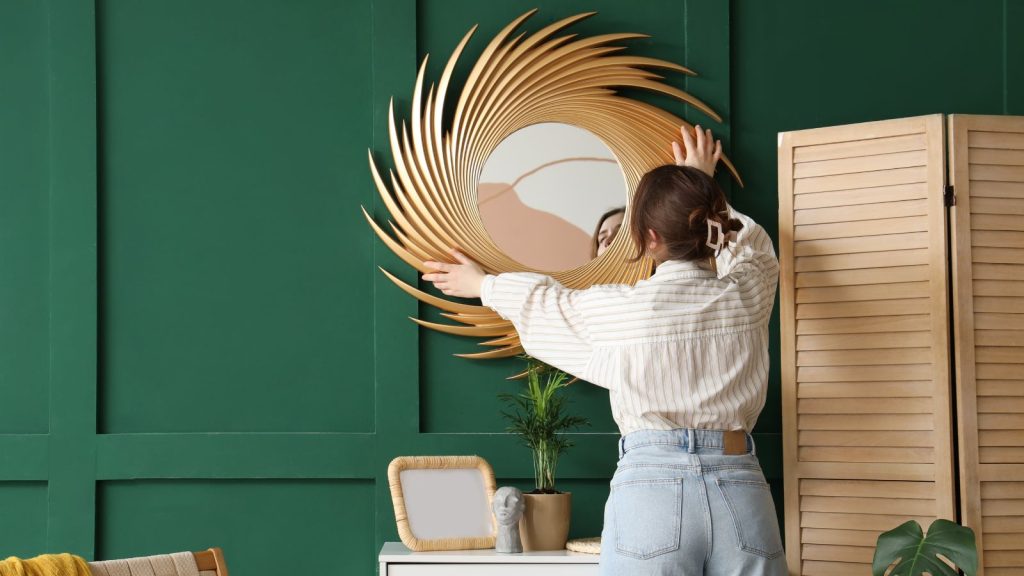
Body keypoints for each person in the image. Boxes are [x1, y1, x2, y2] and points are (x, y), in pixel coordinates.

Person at [423, 125, 785, 575]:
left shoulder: (622, 310)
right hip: (739, 483)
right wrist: (699, 183)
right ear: (711, 224)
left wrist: (481, 284)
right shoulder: (745, 294)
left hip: (652, 485)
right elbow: (753, 247)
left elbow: (547, 302)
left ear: (649, 238)